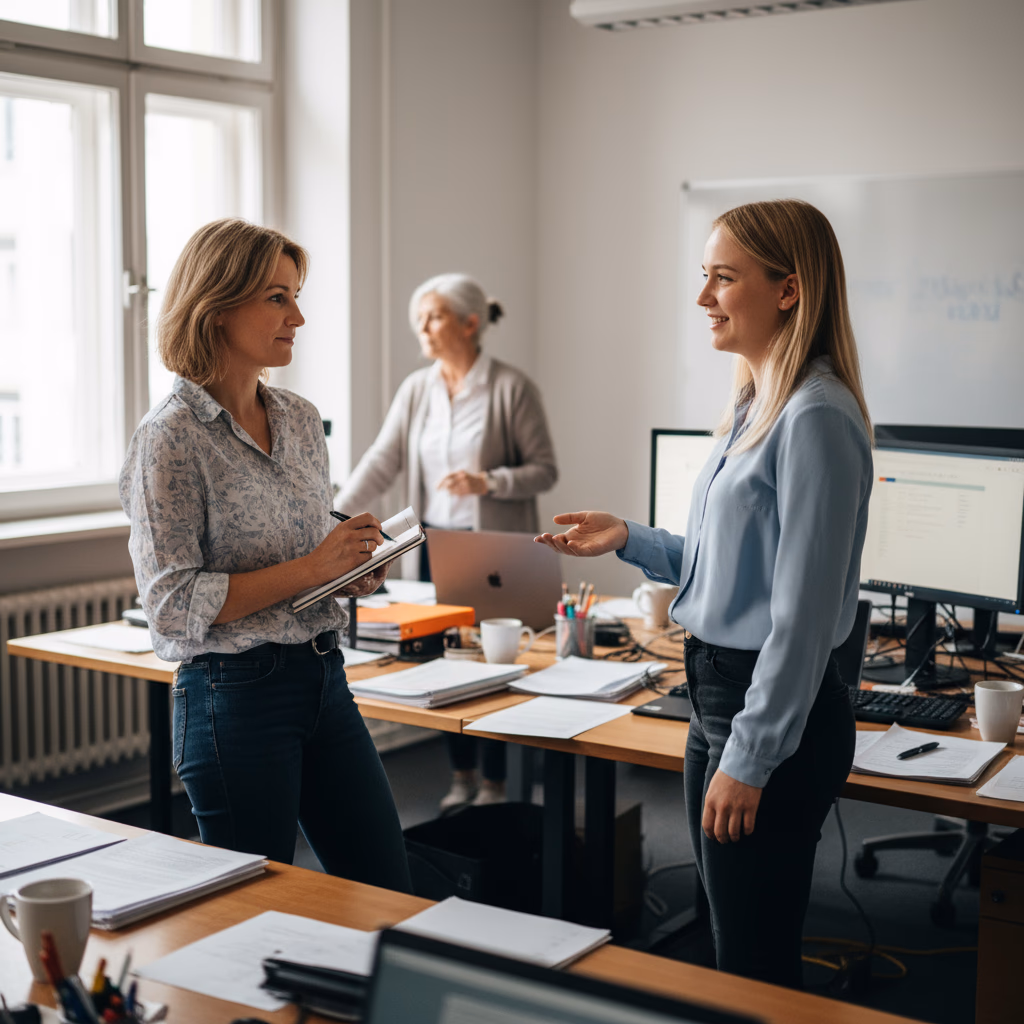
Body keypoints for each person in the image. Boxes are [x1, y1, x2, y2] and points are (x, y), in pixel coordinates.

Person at [536, 199, 872, 987]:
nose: (703, 299)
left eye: (723, 278)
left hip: (764, 707)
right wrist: (627, 536)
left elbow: (804, 617)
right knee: (730, 945)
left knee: (751, 964)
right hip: (716, 691)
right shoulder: (755, 406)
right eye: (704, 277)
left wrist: (750, 759)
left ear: (788, 290)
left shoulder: (816, 416)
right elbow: (730, 563)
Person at [119, 218, 412, 892]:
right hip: (233, 698)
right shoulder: (169, 439)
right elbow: (171, 606)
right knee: (253, 912)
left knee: (385, 892)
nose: (299, 316)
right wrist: (315, 568)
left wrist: (350, 566)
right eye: (277, 298)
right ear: (217, 306)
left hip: (323, 681)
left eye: (297, 295)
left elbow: (302, 552)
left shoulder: (302, 420)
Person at [338, 273, 558, 811]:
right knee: (441, 657)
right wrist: (336, 516)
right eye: (420, 318)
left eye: (433, 316)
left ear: (469, 322)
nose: (424, 327)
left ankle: (499, 784)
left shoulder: (511, 387)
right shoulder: (417, 389)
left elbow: (544, 470)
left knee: (495, 661)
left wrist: (491, 482)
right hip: (433, 546)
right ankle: (461, 775)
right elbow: (382, 460)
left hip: (492, 548)